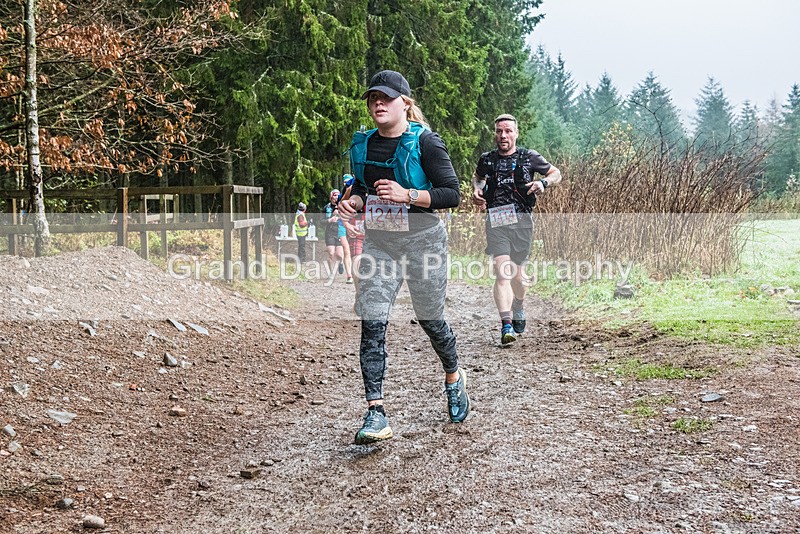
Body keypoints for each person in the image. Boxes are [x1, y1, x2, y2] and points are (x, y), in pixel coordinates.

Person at [338, 69, 469, 444]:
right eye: (372, 98)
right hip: (381, 244)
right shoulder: (363, 144)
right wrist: (355, 203)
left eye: (386, 98)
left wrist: (408, 195)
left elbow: (452, 194)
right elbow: (363, 188)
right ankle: (375, 411)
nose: (378, 103)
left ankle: (453, 375)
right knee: (373, 319)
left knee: (431, 319)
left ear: (405, 104)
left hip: (424, 242)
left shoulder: (427, 142)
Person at [472, 114, 562, 346]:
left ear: (516, 133)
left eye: (508, 131)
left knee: (518, 277)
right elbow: (478, 178)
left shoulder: (529, 157)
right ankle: (506, 325)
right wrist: (477, 191)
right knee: (502, 273)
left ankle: (519, 304)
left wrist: (543, 183)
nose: (503, 136)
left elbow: (556, 173)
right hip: (496, 220)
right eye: (499, 131)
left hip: (522, 221)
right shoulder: (487, 159)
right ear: (495, 133)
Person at [324, 189, 344, 276]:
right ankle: (330, 273)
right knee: (331, 253)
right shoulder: (327, 207)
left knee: (339, 255)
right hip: (329, 232)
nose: (336, 197)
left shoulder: (343, 206)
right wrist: (330, 219)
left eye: (337, 195)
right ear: (331, 196)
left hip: (339, 231)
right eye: (334, 195)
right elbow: (320, 221)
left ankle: (341, 262)